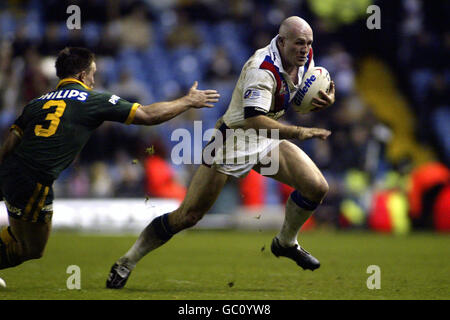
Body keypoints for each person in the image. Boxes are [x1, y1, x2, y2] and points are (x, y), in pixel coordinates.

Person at [106, 16, 336, 289]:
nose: (305, 49)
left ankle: (285, 242)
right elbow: (253, 119)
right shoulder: (261, 68)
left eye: (308, 44)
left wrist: (323, 100)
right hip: (230, 143)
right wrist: (299, 132)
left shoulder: (305, 59)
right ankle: (127, 261)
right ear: (282, 41)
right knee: (188, 216)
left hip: (266, 140)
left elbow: (293, 97)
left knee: (317, 187)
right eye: (299, 43)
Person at [0, 47, 219, 271]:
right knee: (31, 248)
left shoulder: (36, 103)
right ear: (82, 76)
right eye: (92, 73)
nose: (94, 80)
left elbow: (9, 144)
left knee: (18, 236)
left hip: (10, 171)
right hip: (34, 179)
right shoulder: (91, 100)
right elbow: (148, 115)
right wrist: (188, 101)